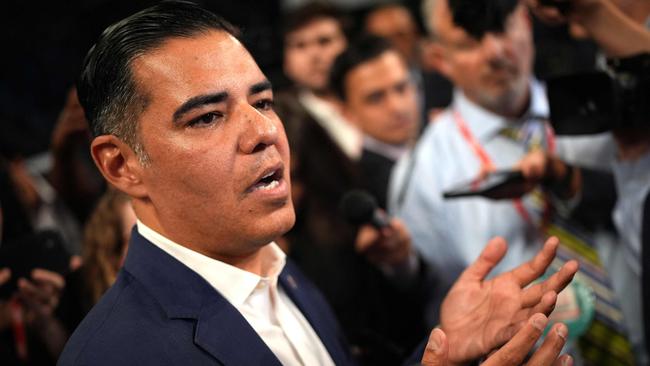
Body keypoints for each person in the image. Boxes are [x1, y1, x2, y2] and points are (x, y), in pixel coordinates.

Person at [57, 2, 577, 365]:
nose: (264, 132)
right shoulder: (115, 354)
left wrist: (443, 346)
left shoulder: (285, 272)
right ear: (121, 166)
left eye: (262, 102)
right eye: (207, 117)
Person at [388, 0, 592, 324]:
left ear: (526, 23)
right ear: (441, 59)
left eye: (502, 28)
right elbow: (437, 299)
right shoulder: (423, 171)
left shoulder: (593, 109)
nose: (495, 53)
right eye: (469, 43)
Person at [330, 35, 420, 210]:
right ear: (347, 113)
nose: (397, 107)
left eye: (401, 88)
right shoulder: (362, 192)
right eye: (375, 98)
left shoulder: (444, 144)